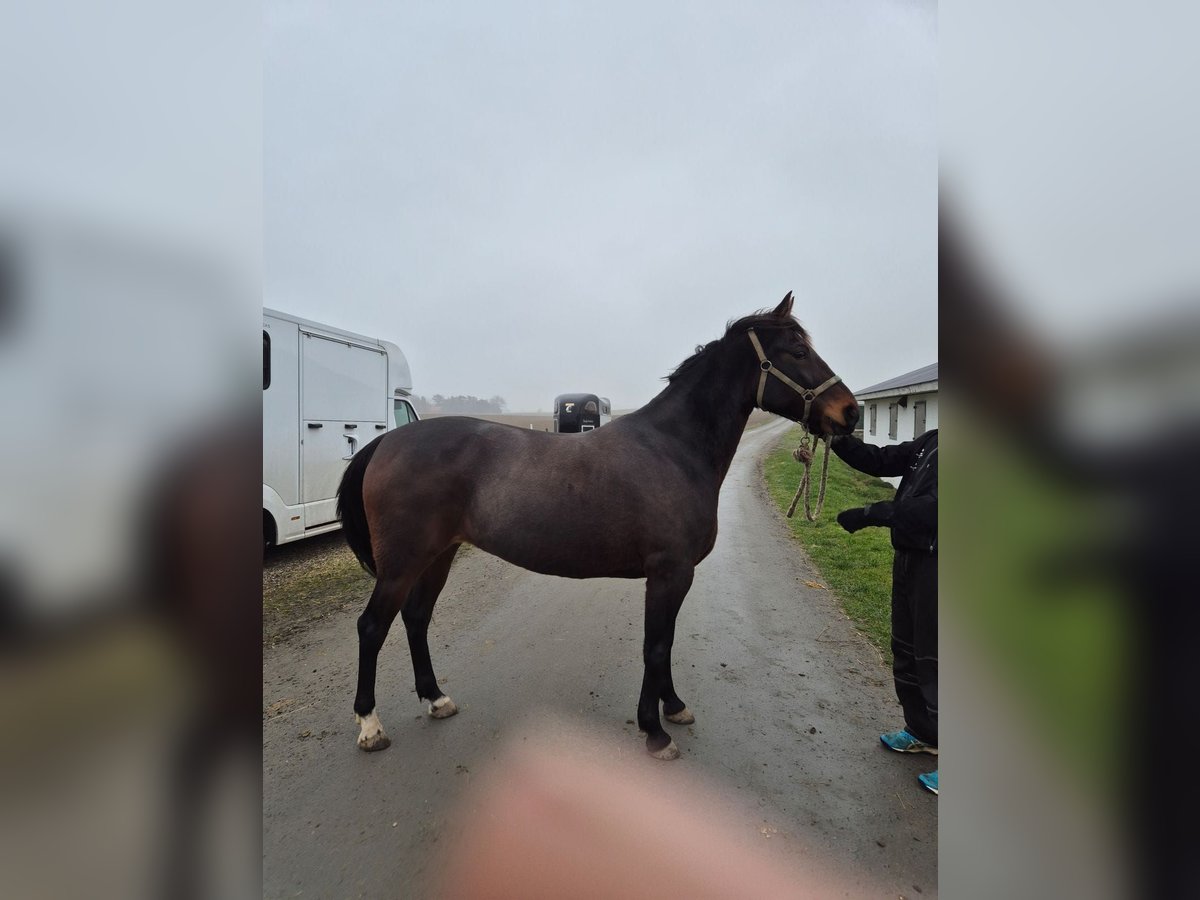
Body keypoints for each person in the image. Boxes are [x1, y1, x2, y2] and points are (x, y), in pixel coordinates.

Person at [832, 427, 938, 794]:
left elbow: (933, 509)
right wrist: (837, 439)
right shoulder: (933, 440)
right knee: (907, 649)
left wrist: (871, 513)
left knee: (939, 659)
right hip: (911, 557)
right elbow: (881, 459)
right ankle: (925, 732)